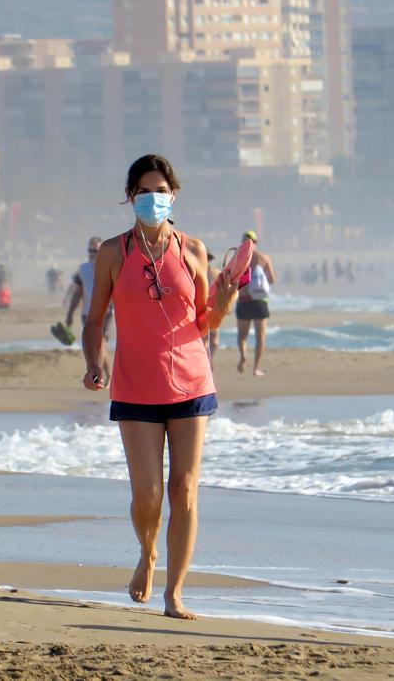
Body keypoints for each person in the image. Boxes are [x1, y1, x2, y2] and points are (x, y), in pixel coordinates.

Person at [81, 154, 237, 620]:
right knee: (147, 495)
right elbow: (94, 320)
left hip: (191, 381)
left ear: (175, 195)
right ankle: (147, 553)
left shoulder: (193, 250)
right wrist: (94, 362)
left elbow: (205, 321)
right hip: (134, 386)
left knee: (184, 490)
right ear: (130, 197)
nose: (154, 199)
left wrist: (225, 303)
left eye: (161, 191)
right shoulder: (114, 252)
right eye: (144, 191)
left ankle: (175, 594)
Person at [66, 237, 113, 378]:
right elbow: (77, 294)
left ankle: (103, 375)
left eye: (95, 250)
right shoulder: (82, 269)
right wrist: (69, 314)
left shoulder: (110, 267)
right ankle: (106, 374)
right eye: (90, 250)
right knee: (94, 345)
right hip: (87, 313)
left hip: (107, 311)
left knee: (101, 342)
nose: (92, 253)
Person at [235, 230, 275, 376]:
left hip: (243, 301)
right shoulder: (263, 258)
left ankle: (243, 356)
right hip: (259, 301)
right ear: (256, 243)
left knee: (242, 336)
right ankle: (256, 368)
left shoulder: (237, 259)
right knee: (260, 336)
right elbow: (272, 280)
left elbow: (231, 280)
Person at [205, 252, 221, 365]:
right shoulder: (194, 270)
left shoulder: (216, 272)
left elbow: (224, 291)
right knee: (204, 338)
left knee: (214, 340)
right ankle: (206, 363)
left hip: (214, 309)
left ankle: (209, 361)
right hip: (201, 308)